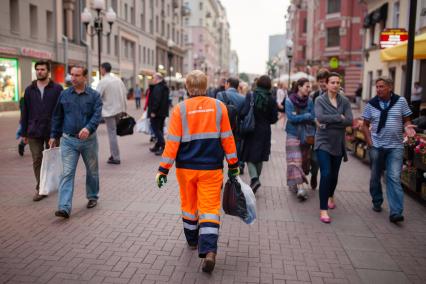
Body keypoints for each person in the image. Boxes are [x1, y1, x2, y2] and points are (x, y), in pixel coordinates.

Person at [155, 70, 239, 273]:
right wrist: (234, 165)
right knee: (209, 207)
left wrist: (163, 170)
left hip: (186, 169)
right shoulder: (219, 107)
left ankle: (192, 240)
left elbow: (172, 143)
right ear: (206, 85)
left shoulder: (180, 109)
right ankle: (209, 250)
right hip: (211, 168)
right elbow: (227, 138)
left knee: (189, 205)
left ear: (187, 87)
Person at [50, 65, 103, 219]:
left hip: (89, 141)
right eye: (71, 75)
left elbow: (97, 115)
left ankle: (92, 196)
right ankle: (64, 207)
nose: (73, 78)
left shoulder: (94, 96)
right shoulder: (64, 94)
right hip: (68, 140)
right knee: (67, 173)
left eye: (77, 75)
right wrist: (54, 135)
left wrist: (89, 128)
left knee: (92, 171)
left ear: (85, 77)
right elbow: (57, 116)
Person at [362, 76, 415, 224]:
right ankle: (377, 200)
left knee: (393, 177)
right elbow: (365, 125)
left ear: (390, 87)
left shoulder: (401, 101)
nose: (378, 89)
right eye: (377, 87)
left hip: (395, 147)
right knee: (375, 176)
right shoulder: (371, 104)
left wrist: (408, 129)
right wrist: (370, 142)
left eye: (381, 86)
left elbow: (407, 120)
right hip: (377, 146)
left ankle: (396, 212)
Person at [20, 60, 63, 201]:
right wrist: (24, 133)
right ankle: (41, 188)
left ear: (48, 71)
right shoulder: (29, 90)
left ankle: (52, 182)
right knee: (37, 159)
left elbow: (61, 111)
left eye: (42, 69)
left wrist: (58, 132)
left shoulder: (57, 89)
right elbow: (24, 112)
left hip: (52, 130)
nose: (40, 71)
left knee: (51, 159)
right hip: (33, 130)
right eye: (37, 69)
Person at [315, 72, 353, 223]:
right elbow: (320, 117)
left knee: (334, 176)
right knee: (326, 173)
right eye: (333, 82)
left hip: (338, 142)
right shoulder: (319, 100)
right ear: (326, 84)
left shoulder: (344, 101)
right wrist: (339, 117)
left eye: (338, 82)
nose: (336, 85)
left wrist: (334, 120)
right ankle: (323, 210)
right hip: (323, 141)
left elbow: (349, 120)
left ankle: (331, 195)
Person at [240, 75, 278, 193]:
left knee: (249, 156)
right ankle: (255, 181)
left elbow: (244, 112)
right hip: (265, 131)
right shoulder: (271, 99)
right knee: (260, 156)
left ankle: (254, 179)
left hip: (252, 130)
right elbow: (274, 119)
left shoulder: (251, 95)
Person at [285, 78, 315, 200]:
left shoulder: (310, 101)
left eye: (309, 86)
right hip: (292, 133)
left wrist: (301, 116)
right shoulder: (289, 100)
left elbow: (313, 116)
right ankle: (301, 188)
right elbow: (291, 118)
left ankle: (293, 183)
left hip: (306, 136)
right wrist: (306, 116)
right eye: (307, 86)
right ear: (300, 87)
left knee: (302, 162)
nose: (309, 89)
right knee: (295, 160)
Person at [96, 62, 127, 165]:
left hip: (109, 111)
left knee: (112, 134)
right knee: (113, 133)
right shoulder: (118, 80)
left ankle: (115, 156)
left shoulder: (103, 81)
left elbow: (97, 96)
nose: (100, 70)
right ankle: (114, 153)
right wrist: (124, 109)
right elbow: (124, 94)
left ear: (104, 69)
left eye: (101, 69)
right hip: (119, 110)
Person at [217, 77, 246, 173]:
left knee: (219, 154)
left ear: (228, 84)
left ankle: (219, 176)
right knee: (234, 153)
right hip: (236, 130)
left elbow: (218, 113)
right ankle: (233, 175)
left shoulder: (220, 95)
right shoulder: (243, 98)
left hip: (222, 130)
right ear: (237, 86)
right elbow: (243, 115)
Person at [148, 73, 170, 155]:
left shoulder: (158, 88)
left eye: (153, 78)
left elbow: (156, 100)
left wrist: (153, 111)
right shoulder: (164, 87)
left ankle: (163, 146)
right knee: (159, 129)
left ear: (157, 78)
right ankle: (157, 145)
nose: (152, 79)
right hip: (163, 112)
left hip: (157, 113)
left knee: (155, 129)